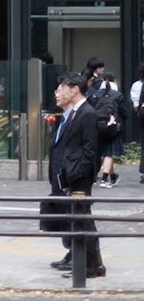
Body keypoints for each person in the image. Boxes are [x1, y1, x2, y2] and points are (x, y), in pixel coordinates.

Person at [45, 72, 104, 279]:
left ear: (75, 89)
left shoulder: (87, 113)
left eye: (63, 88)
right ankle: (89, 263)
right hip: (70, 175)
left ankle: (90, 265)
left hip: (79, 177)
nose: (59, 91)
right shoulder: (75, 113)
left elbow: (90, 149)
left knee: (83, 219)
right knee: (79, 219)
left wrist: (77, 172)